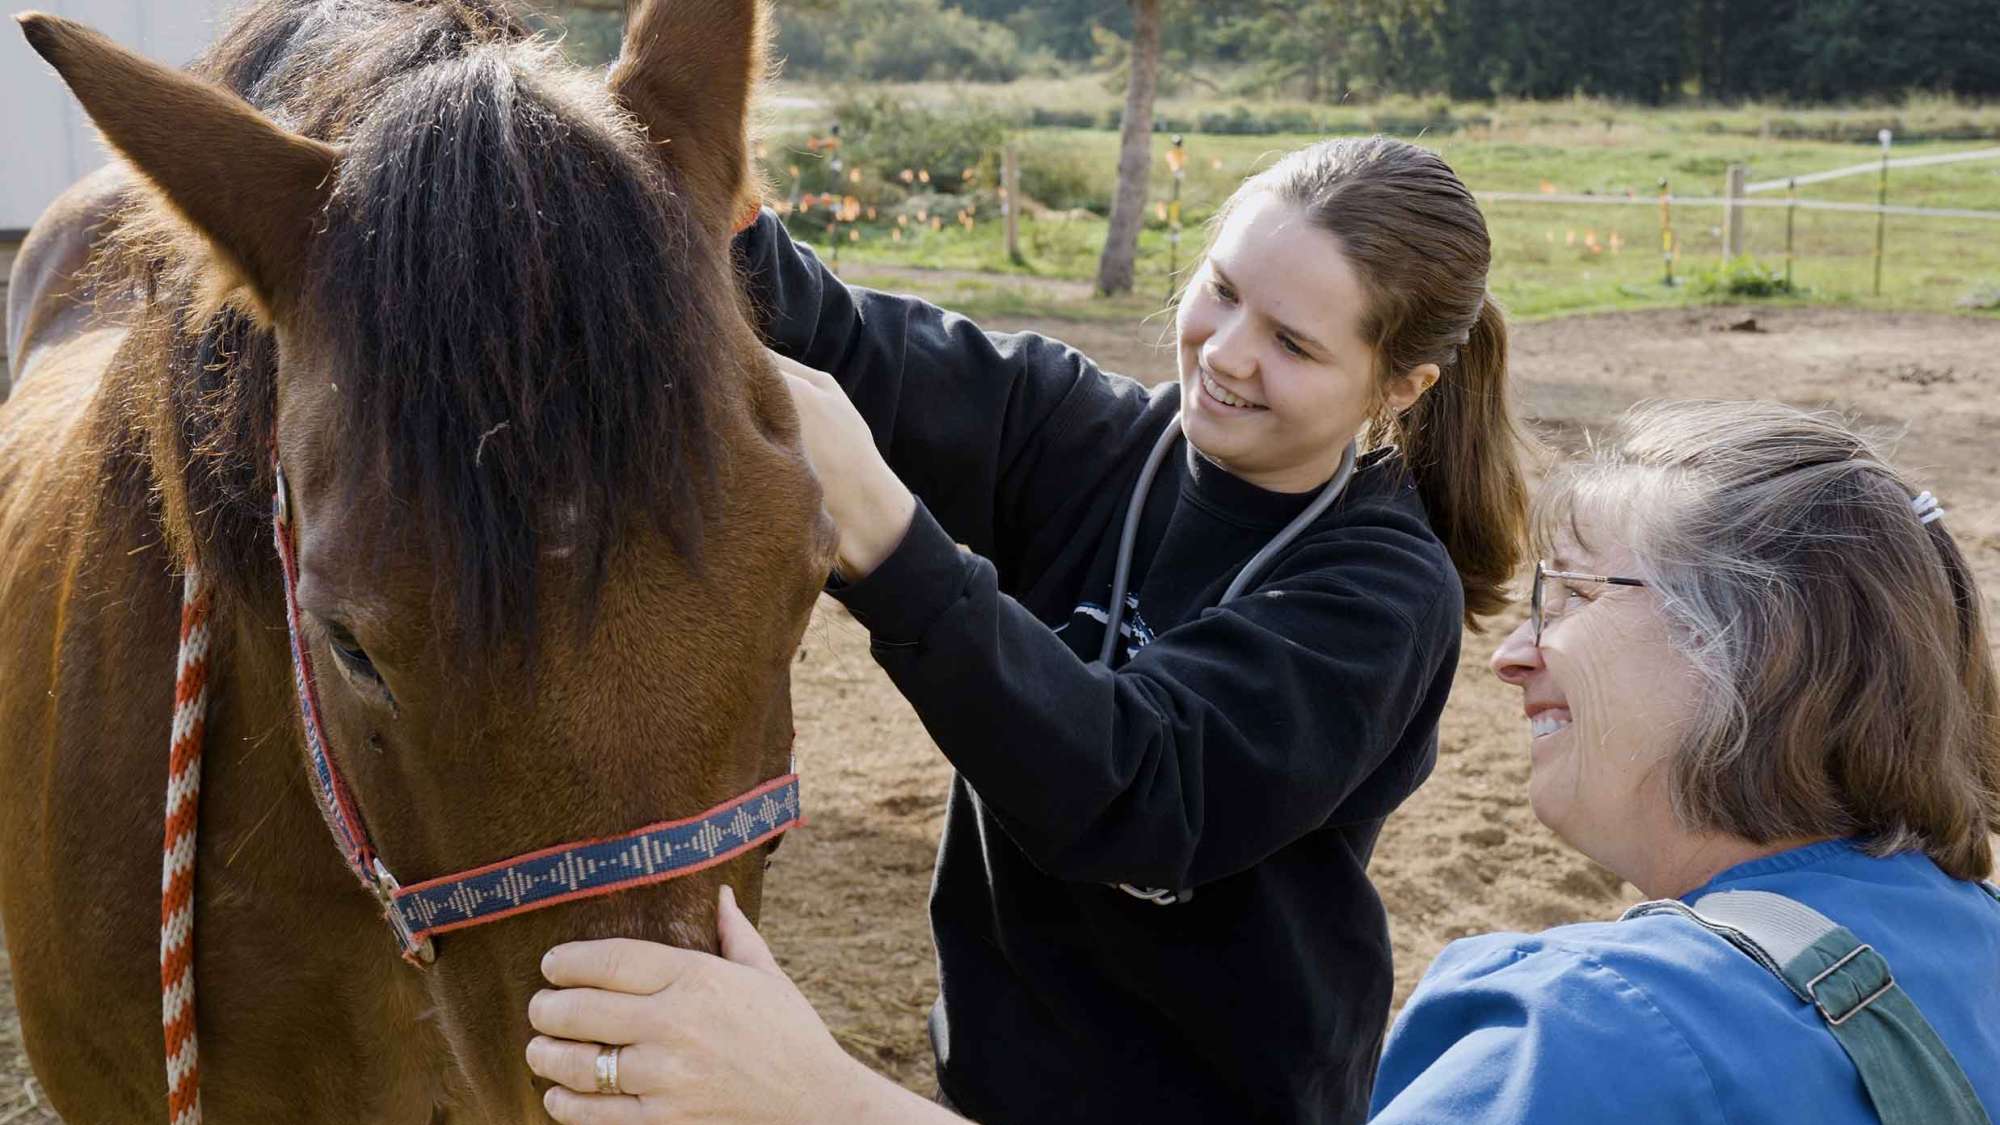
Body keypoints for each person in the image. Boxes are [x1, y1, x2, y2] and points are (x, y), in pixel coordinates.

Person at [525, 135, 1528, 1124]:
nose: (1224, 356)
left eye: (1292, 343)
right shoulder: (1085, 440)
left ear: (1400, 384)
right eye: (1221, 291)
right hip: (983, 1090)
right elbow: (842, 342)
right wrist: (692, 177)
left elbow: (1137, 792)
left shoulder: (1381, 595)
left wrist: (890, 543)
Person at [1371, 400, 2000, 1122]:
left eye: (1572, 593)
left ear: (1758, 650)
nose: (1511, 656)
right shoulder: (1977, 946)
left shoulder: (1590, 1038)